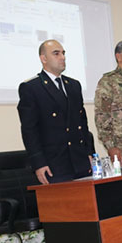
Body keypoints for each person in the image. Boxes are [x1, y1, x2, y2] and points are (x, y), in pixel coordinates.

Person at [17, 39, 94, 184]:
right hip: (54, 164)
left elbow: (82, 123)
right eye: (56, 53)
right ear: (43, 58)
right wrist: (38, 163)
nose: (62, 57)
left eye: (63, 53)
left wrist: (89, 153)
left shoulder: (73, 85)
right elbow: (29, 130)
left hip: (80, 161)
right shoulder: (32, 87)